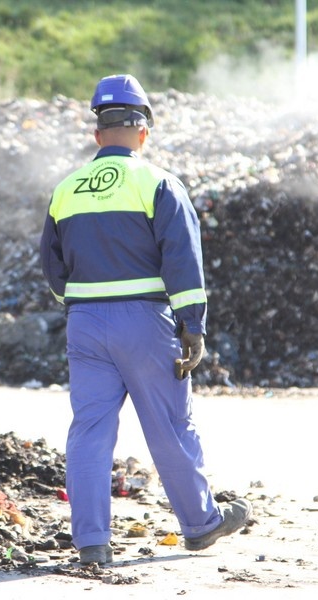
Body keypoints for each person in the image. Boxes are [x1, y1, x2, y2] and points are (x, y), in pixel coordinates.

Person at [39, 74, 251, 565]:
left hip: (85, 324)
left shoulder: (66, 190)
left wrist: (83, 304)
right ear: (143, 131)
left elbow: (53, 269)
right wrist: (192, 325)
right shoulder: (157, 182)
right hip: (145, 322)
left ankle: (92, 543)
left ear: (97, 135)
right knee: (170, 424)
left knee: (89, 430)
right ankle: (200, 524)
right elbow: (183, 261)